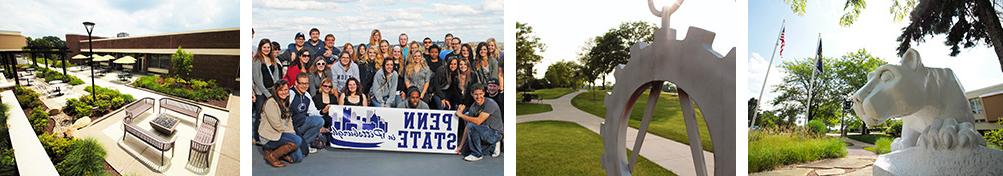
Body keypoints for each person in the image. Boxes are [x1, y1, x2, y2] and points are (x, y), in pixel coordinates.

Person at [259, 80, 303, 167]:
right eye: (281, 90)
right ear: (276, 91)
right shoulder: (271, 102)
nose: (284, 92)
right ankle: (272, 156)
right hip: (269, 136)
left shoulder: (286, 103)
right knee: (297, 140)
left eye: (286, 90)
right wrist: (292, 136)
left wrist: (292, 133)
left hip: (282, 134)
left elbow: (289, 121)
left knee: (297, 158)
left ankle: (272, 150)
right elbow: (277, 126)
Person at [456, 84, 503, 161]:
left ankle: (477, 154)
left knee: (472, 125)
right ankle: (493, 147)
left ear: (484, 93)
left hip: (495, 133)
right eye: (476, 94)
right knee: (465, 151)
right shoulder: (473, 107)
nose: (478, 97)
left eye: (481, 94)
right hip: (484, 132)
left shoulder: (490, 103)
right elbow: (467, 126)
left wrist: (461, 115)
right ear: (472, 94)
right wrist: (460, 146)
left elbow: (478, 121)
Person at [253, 39, 280, 144]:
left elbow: (276, 76)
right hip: (261, 92)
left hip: (272, 91)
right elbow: (257, 80)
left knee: (271, 114)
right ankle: (257, 137)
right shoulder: (257, 60)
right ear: (260, 48)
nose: (266, 49)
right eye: (264, 47)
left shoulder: (273, 59)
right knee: (259, 114)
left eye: (268, 47)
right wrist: (267, 94)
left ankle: (268, 134)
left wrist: (276, 90)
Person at [290, 73, 325, 155]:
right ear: (296, 83)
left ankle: (304, 144)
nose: (304, 86)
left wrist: (323, 111)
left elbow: (313, 113)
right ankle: (298, 145)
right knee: (298, 156)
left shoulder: (307, 95)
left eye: (306, 83)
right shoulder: (290, 94)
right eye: (302, 83)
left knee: (319, 121)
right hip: (290, 126)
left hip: (301, 124)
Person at [312, 78, 338, 150]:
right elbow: (312, 113)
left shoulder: (333, 98)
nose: (327, 88)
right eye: (325, 86)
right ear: (321, 86)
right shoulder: (316, 98)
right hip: (320, 121)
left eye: (329, 86)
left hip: (330, 123)